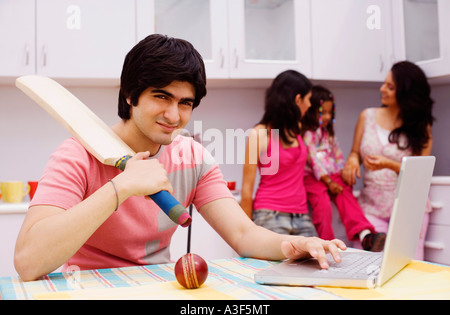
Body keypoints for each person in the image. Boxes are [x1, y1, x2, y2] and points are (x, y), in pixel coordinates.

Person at [14, 35, 346, 281]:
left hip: (158, 286)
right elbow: (28, 262)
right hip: (89, 286)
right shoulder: (76, 154)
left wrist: (294, 244)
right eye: (162, 96)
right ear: (131, 95)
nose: (174, 115)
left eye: (185, 102)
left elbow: (244, 235)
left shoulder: (193, 157)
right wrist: (121, 188)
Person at [341, 61, 434, 259]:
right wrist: (352, 161)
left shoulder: (420, 127)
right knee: (365, 264)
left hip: (408, 207)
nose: (382, 89)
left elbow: (420, 174)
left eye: (390, 87)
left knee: (408, 268)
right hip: (371, 206)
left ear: (406, 93)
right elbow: (354, 152)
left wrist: (388, 164)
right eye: (384, 84)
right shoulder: (367, 116)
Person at [301, 85, 386, 251]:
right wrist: (328, 181)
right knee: (323, 205)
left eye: (329, 112)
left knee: (345, 193)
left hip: (331, 175)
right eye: (322, 113)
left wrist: (343, 172)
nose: (326, 117)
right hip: (313, 178)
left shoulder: (328, 134)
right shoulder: (307, 135)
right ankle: (327, 244)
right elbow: (314, 162)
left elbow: (337, 155)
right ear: (312, 111)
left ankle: (365, 235)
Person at [240, 70, 318, 237]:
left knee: (318, 260)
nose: (310, 105)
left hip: (302, 215)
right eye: (308, 99)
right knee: (277, 264)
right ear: (298, 99)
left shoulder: (297, 130)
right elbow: (247, 190)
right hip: (269, 215)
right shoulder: (260, 133)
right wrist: (246, 234)